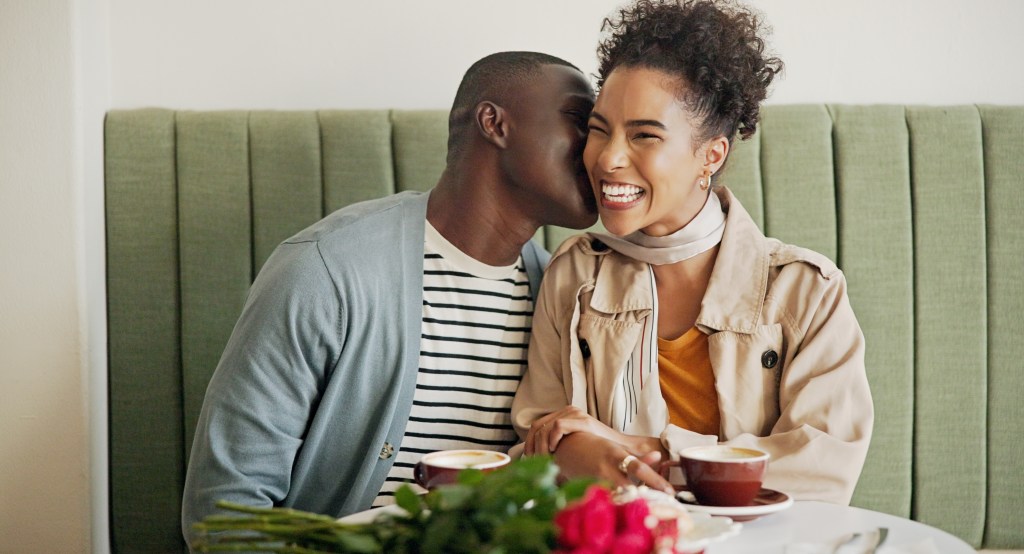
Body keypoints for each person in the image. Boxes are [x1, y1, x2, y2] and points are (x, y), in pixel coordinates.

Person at [181, 51, 598, 543]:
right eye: (580, 121)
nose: (599, 151)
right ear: (495, 124)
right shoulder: (327, 271)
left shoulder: (565, 298)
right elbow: (226, 510)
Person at [512, 0, 873, 505]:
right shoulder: (575, 275)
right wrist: (572, 453)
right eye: (599, 130)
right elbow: (539, 442)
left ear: (712, 154)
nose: (608, 158)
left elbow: (822, 470)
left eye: (644, 135)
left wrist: (644, 450)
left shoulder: (807, 290)